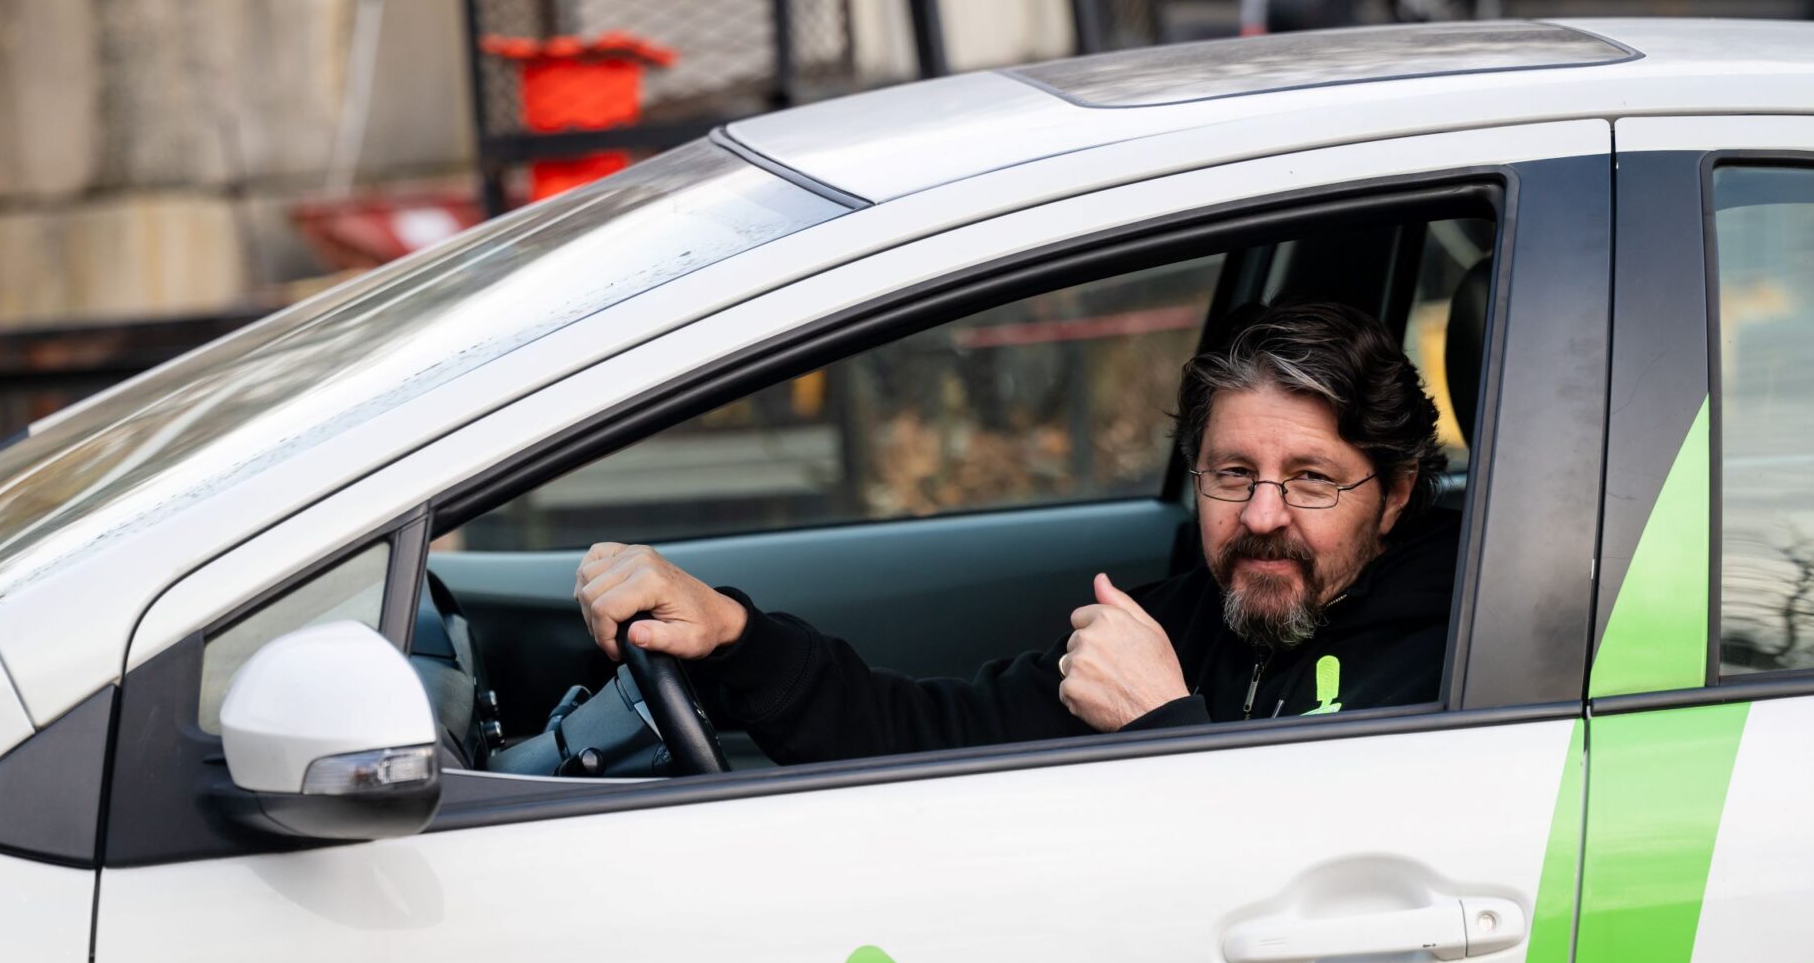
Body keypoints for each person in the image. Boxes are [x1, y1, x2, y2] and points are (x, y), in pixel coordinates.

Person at [573, 301, 1457, 765]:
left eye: (1309, 480)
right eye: (1232, 475)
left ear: (1394, 494)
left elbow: (1329, 891)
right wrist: (734, 637)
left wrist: (1162, 727)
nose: (1262, 517)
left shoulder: (1465, 650)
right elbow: (927, 736)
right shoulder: (1184, 622)